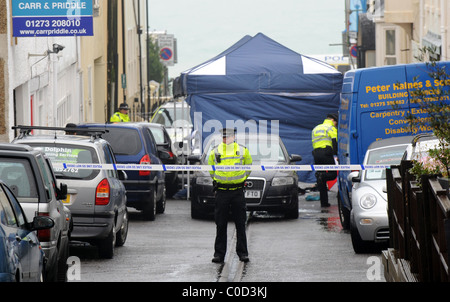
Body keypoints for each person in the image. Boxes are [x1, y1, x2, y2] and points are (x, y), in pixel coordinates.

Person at [208, 128, 252, 263]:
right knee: (221, 224)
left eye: (229, 136)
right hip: (222, 191)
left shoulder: (243, 150)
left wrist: (240, 179)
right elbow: (210, 168)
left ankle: (243, 253)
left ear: (234, 137)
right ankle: (219, 254)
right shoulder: (215, 150)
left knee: (240, 223)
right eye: (224, 136)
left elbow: (248, 166)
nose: (226, 138)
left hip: (237, 191)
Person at [311, 113, 338, 207]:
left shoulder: (316, 128)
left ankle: (324, 203)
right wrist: (336, 154)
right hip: (326, 152)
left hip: (316, 154)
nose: (336, 124)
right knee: (333, 174)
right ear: (332, 120)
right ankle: (322, 175)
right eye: (336, 122)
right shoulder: (331, 128)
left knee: (321, 181)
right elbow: (335, 143)